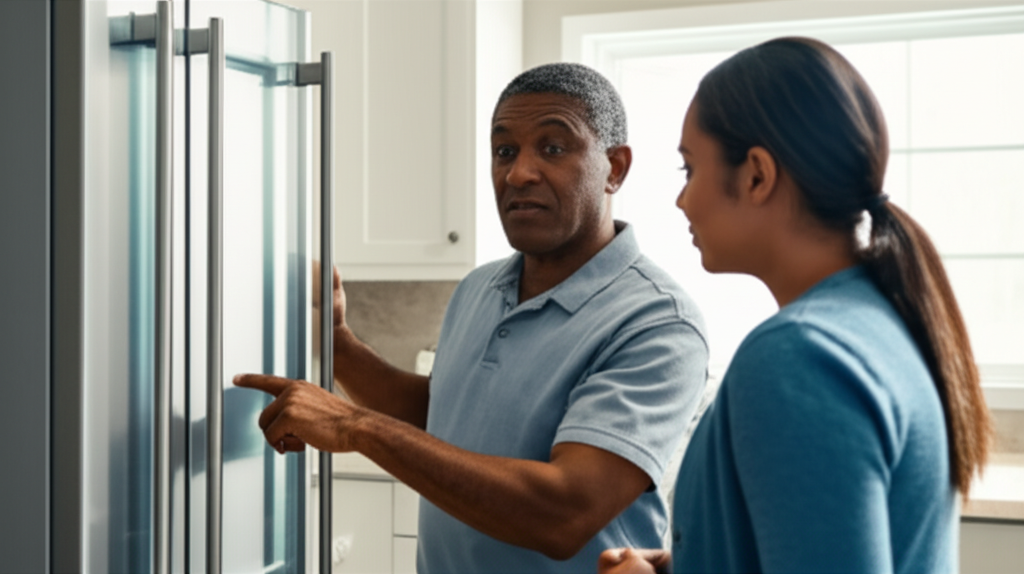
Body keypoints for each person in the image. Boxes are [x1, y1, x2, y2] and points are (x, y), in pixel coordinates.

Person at [235, 62, 710, 573]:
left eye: (552, 147)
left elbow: (563, 512)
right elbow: (440, 419)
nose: (518, 172)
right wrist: (336, 340)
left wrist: (355, 427)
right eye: (504, 150)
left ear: (614, 168)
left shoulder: (658, 321)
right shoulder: (478, 288)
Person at [599, 37, 993, 574]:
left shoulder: (797, 359)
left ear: (757, 174)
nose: (681, 199)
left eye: (688, 169)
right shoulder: (879, 321)